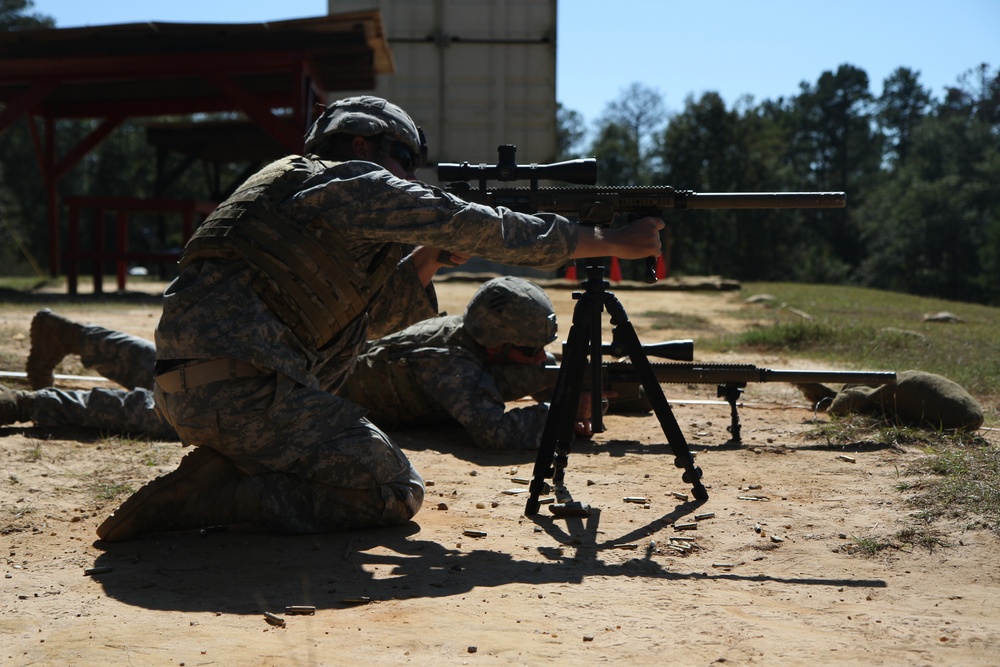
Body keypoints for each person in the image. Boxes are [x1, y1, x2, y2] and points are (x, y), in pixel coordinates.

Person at [89, 95, 664, 542]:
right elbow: (481, 226)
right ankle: (216, 498)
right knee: (392, 490)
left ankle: (231, 468)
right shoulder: (351, 179)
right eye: (402, 161)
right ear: (363, 142)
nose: (406, 177)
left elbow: (359, 319)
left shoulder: (279, 185)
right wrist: (606, 240)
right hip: (249, 395)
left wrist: (425, 261)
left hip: (196, 392)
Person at [4, 279, 588, 447]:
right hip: (302, 389)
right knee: (172, 408)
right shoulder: (448, 363)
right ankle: (32, 405)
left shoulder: (468, 336)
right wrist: (563, 413)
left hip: (307, 362)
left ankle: (72, 333)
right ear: (494, 344)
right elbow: (493, 431)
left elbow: (518, 376)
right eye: (530, 353)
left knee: (176, 368)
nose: (542, 359)